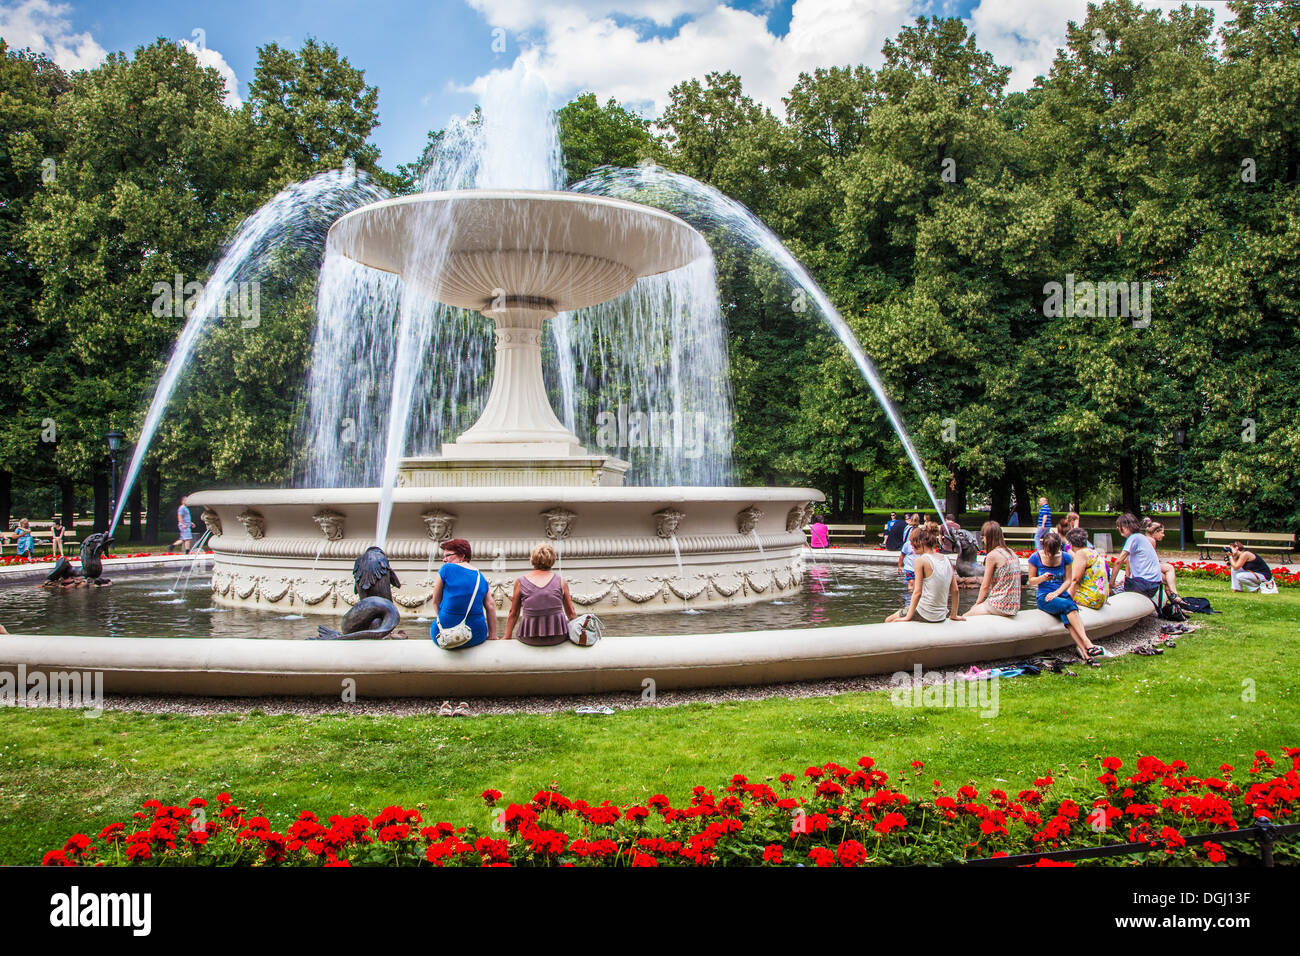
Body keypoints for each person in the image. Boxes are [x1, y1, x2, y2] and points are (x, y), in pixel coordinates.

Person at [1028, 531, 1102, 666]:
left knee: (1068, 621)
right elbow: (1031, 581)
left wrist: (1057, 592)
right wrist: (1042, 578)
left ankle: (1087, 656)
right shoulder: (1035, 558)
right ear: (1043, 547)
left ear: (1058, 548)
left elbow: (1068, 581)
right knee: (1070, 607)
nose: (1050, 555)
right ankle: (1088, 643)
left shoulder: (1066, 557)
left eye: (1053, 552)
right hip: (1045, 597)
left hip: (1060, 594)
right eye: (1048, 552)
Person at [504, 544, 577, 645]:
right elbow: (571, 613)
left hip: (529, 638)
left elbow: (514, 613)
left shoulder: (520, 582)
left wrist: (506, 637)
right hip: (558, 637)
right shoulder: (561, 582)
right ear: (552, 560)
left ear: (532, 559)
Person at [429, 538, 497, 649]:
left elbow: (436, 601)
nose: (444, 560)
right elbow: (490, 606)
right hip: (475, 636)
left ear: (462, 556)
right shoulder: (480, 576)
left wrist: (442, 621)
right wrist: (493, 635)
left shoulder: (446, 569)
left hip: (444, 633)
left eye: (448, 555)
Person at [886, 527, 963, 623]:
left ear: (920, 542)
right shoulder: (947, 560)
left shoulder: (920, 561)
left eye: (912, 543)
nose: (911, 546)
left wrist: (908, 617)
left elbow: (917, 592)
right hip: (941, 615)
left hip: (925, 613)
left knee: (888, 620)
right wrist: (954, 615)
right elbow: (955, 590)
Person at [966, 521, 1021, 618]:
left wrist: (977, 604)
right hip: (1014, 605)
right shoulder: (1011, 552)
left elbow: (985, 586)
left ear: (989, 537)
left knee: (967, 616)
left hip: (1000, 605)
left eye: (983, 536)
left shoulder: (993, 555)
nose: (982, 540)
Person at [1109, 512, 1164, 602]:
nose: (1118, 529)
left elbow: (1119, 561)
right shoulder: (1141, 537)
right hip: (1153, 584)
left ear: (1125, 527)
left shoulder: (1133, 538)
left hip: (1145, 585)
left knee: (1108, 591)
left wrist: (1111, 583)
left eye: (1119, 527)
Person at [1143, 521, 1187, 606]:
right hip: (1146, 570)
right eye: (1162, 533)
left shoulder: (1146, 539)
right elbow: (1150, 560)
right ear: (1155, 532)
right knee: (1167, 578)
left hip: (1147, 567)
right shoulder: (1151, 541)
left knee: (1169, 569)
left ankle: (1173, 599)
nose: (1163, 535)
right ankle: (1174, 598)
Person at [1065, 527, 1109, 610]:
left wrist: (1069, 601)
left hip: (1091, 598)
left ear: (1071, 544)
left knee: (1058, 595)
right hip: (1101, 597)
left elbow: (1075, 580)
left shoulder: (1080, 553)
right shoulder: (1093, 552)